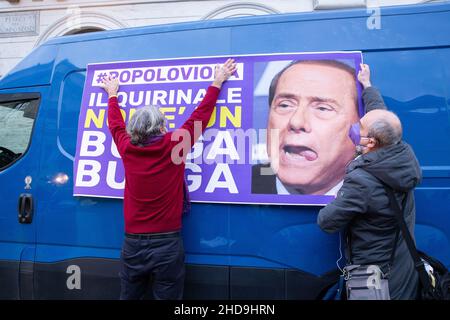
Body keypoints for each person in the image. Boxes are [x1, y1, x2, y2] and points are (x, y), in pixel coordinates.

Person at [100, 58, 237, 300]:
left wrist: (112, 95)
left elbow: (115, 125)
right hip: (167, 244)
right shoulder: (175, 145)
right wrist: (218, 81)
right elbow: (200, 116)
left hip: (132, 243)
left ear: (134, 131)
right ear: (162, 128)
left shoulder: (127, 147)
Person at [317, 108, 422, 300]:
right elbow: (384, 122)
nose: (354, 128)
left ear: (372, 142)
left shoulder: (361, 182)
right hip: (402, 268)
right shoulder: (403, 157)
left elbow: (326, 221)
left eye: (360, 127)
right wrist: (367, 87)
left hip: (376, 280)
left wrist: (342, 195)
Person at [252, 61, 386, 195]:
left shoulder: (379, 192)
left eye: (323, 108)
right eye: (285, 105)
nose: (296, 122)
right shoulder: (244, 184)